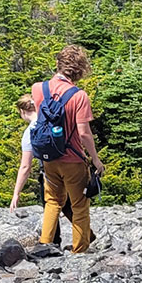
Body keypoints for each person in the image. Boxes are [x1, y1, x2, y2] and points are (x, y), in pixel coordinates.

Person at [30, 45, 105, 253]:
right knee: (79, 204)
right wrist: (96, 160)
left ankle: (45, 245)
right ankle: (80, 250)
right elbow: (83, 133)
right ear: (81, 69)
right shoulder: (79, 96)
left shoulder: (38, 89)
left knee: (52, 201)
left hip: (48, 157)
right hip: (72, 159)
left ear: (58, 64)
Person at [9, 94, 72, 244]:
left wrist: (16, 193)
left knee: (50, 205)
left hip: (48, 174)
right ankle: (86, 235)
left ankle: (52, 242)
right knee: (68, 205)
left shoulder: (31, 131)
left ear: (23, 111)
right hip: (68, 167)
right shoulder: (53, 121)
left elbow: (25, 166)